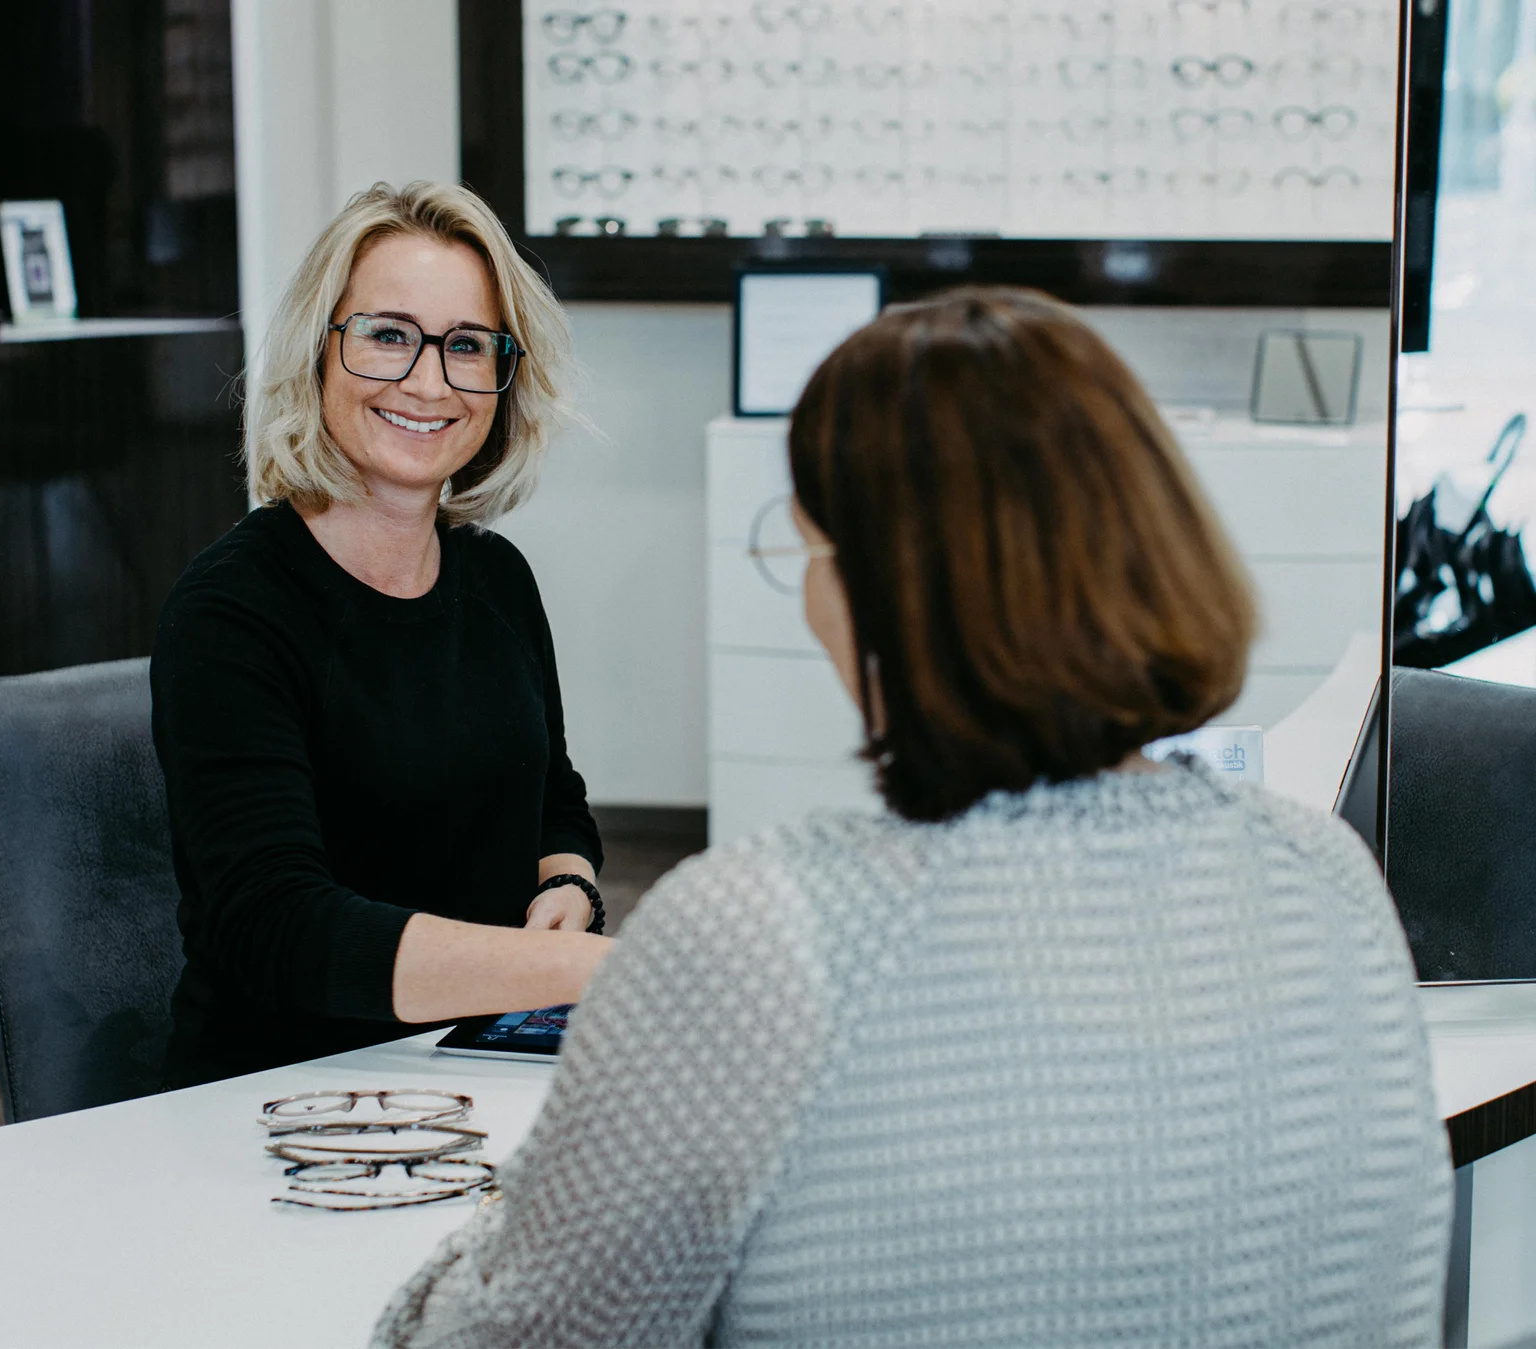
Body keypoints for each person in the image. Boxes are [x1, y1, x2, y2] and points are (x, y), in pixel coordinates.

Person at [373, 288, 1452, 1347]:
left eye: (809, 549)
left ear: (883, 587)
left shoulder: (763, 931)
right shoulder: (1328, 874)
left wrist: (519, 1210)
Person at [150, 182, 613, 1089]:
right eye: (388, 335)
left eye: (467, 346)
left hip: (477, 1071)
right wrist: (583, 970)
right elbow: (278, 924)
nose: (429, 381)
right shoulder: (231, 610)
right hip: (281, 1101)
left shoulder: (495, 576)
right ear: (319, 351)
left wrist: (570, 886)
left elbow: (553, 798)